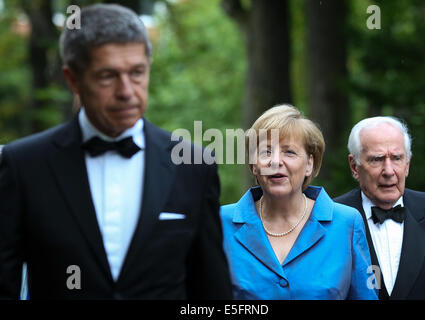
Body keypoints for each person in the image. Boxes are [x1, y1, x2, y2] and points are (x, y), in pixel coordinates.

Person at [0, 4, 232, 299]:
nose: (126, 91)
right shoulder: (24, 166)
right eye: (108, 76)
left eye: (137, 73)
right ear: (73, 79)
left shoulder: (193, 164)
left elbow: (212, 292)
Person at [220, 104, 378, 300]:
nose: (276, 161)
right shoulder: (220, 223)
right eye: (266, 152)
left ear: (309, 164)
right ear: (254, 165)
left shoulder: (347, 223)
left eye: (289, 152)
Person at [335, 116, 425, 300]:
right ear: (354, 166)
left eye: (396, 158)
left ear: (407, 165)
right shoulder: (333, 218)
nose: (389, 171)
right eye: (377, 159)